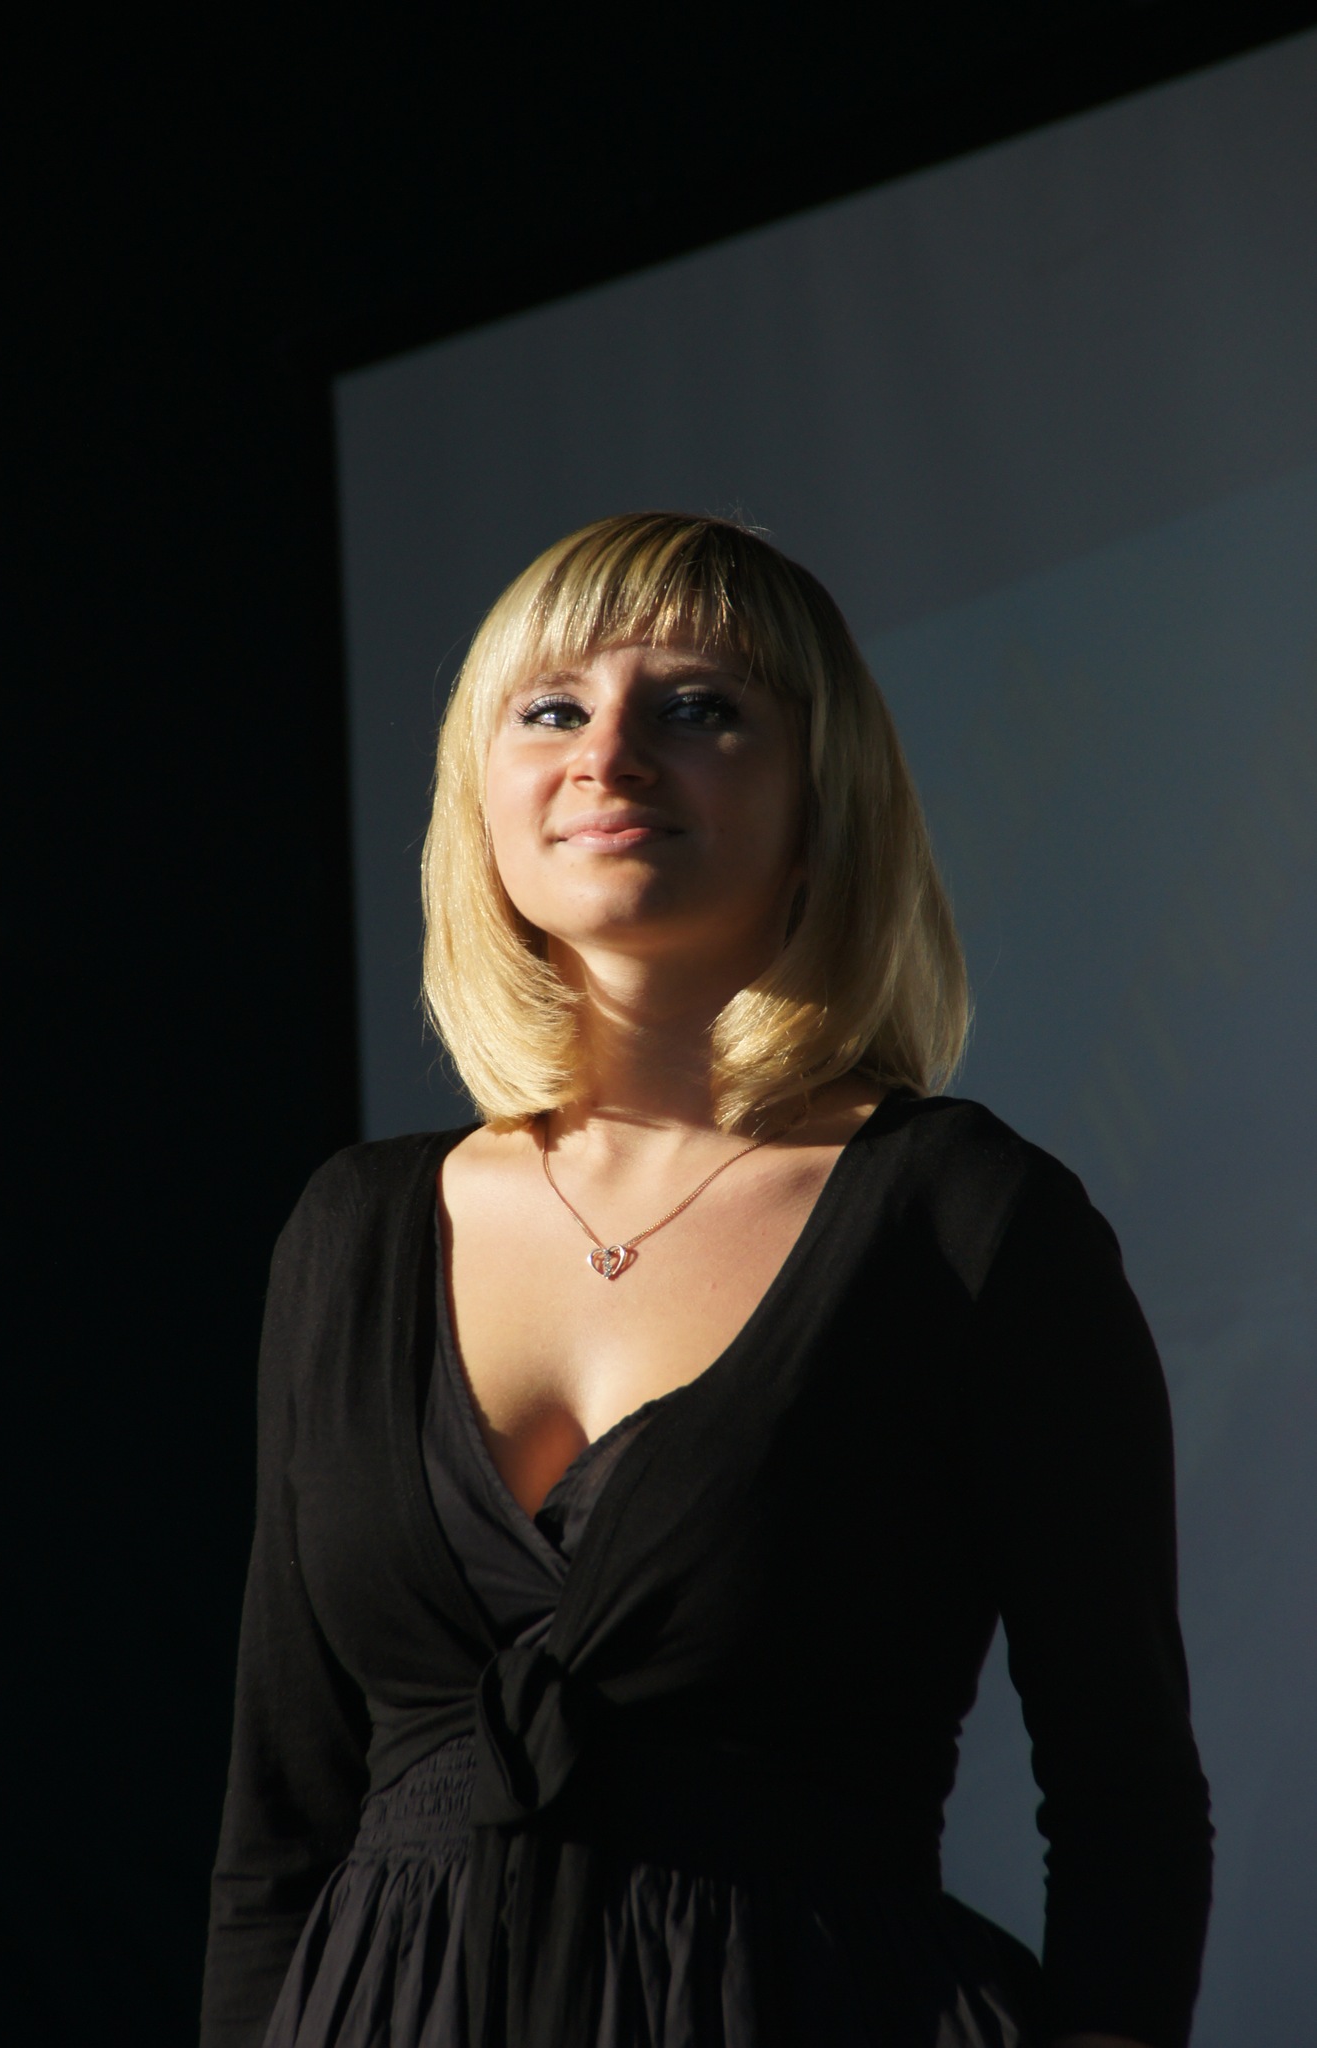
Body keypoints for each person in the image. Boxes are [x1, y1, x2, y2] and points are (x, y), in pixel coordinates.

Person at [200, 513, 1212, 2048]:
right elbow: (277, 1827)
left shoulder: (970, 1219)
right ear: (479, 795)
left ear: (824, 802)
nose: (609, 756)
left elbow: (1126, 1797)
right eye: (552, 708)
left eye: (697, 706)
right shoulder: (350, 1231)